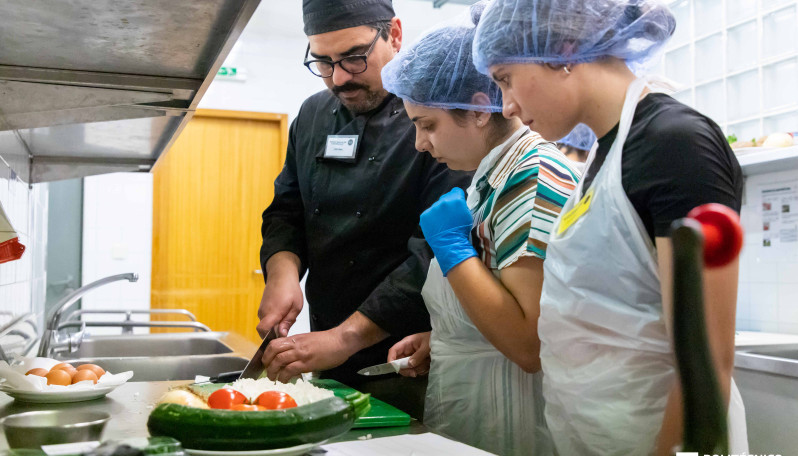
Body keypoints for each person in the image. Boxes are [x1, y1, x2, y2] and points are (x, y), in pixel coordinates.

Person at [473, 0, 748, 454]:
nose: (508, 107)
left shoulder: (675, 145)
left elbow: (706, 363)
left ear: (562, 52)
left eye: (505, 78)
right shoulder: (602, 156)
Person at [380, 3, 579, 454]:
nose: (420, 144)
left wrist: (451, 248)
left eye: (427, 125)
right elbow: (502, 298)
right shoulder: (494, 178)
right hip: (479, 402)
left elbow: (530, 344)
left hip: (512, 417)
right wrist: (454, 334)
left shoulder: (532, 177)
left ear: (478, 110)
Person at [257, 0, 469, 418]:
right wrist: (281, 275)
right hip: (327, 342)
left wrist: (348, 336)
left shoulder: (436, 116)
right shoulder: (313, 115)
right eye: (322, 61)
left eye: (354, 58)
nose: (338, 78)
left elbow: (434, 250)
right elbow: (286, 209)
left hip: (406, 353)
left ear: (394, 33)